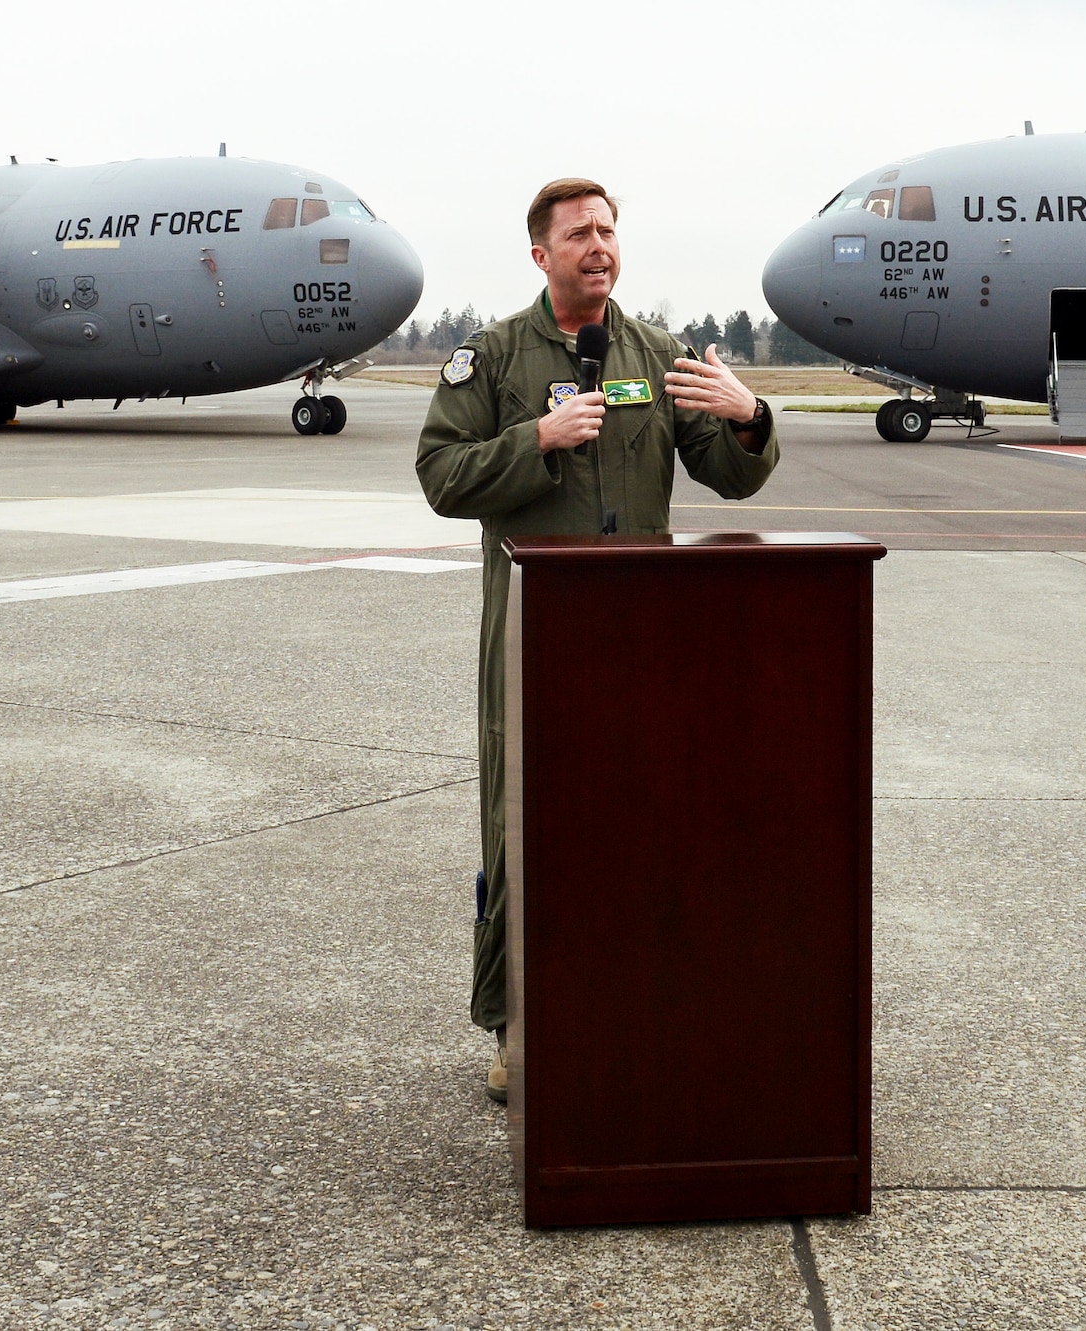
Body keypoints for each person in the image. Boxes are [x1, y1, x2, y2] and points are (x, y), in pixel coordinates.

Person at [416, 178, 781, 1102]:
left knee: (638, 824)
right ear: (541, 254)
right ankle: (516, 1029)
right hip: (533, 635)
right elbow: (440, 475)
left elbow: (730, 479)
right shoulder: (491, 358)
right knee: (524, 827)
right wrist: (534, 438)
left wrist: (752, 418)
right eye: (580, 233)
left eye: (609, 230)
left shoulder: (656, 354)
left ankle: (632, 1007)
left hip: (641, 636)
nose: (600, 245)